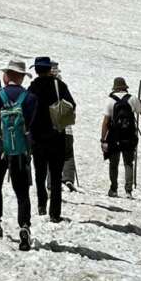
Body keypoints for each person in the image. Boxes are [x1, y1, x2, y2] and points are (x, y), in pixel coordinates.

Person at [0, 59, 37, 251]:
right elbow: (32, 127)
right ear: (21, 77)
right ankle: (24, 228)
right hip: (20, 151)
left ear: (7, 76)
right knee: (22, 192)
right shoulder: (29, 98)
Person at [27, 56, 75, 222]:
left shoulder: (32, 88)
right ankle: (55, 213)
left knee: (39, 174)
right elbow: (72, 105)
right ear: (49, 69)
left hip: (37, 138)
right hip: (57, 136)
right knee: (55, 176)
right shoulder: (59, 85)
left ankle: (41, 205)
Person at [101, 77, 141, 199]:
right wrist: (139, 105)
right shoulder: (132, 99)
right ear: (125, 87)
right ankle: (128, 191)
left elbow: (106, 121)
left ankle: (114, 189)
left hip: (114, 136)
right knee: (128, 163)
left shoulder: (110, 100)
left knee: (114, 164)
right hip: (129, 136)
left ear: (115, 87)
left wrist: (103, 139)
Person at [51, 62, 77, 192]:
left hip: (51, 130)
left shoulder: (42, 86)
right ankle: (68, 179)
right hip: (67, 129)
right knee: (68, 155)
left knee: (52, 156)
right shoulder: (63, 87)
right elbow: (73, 105)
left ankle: (52, 183)